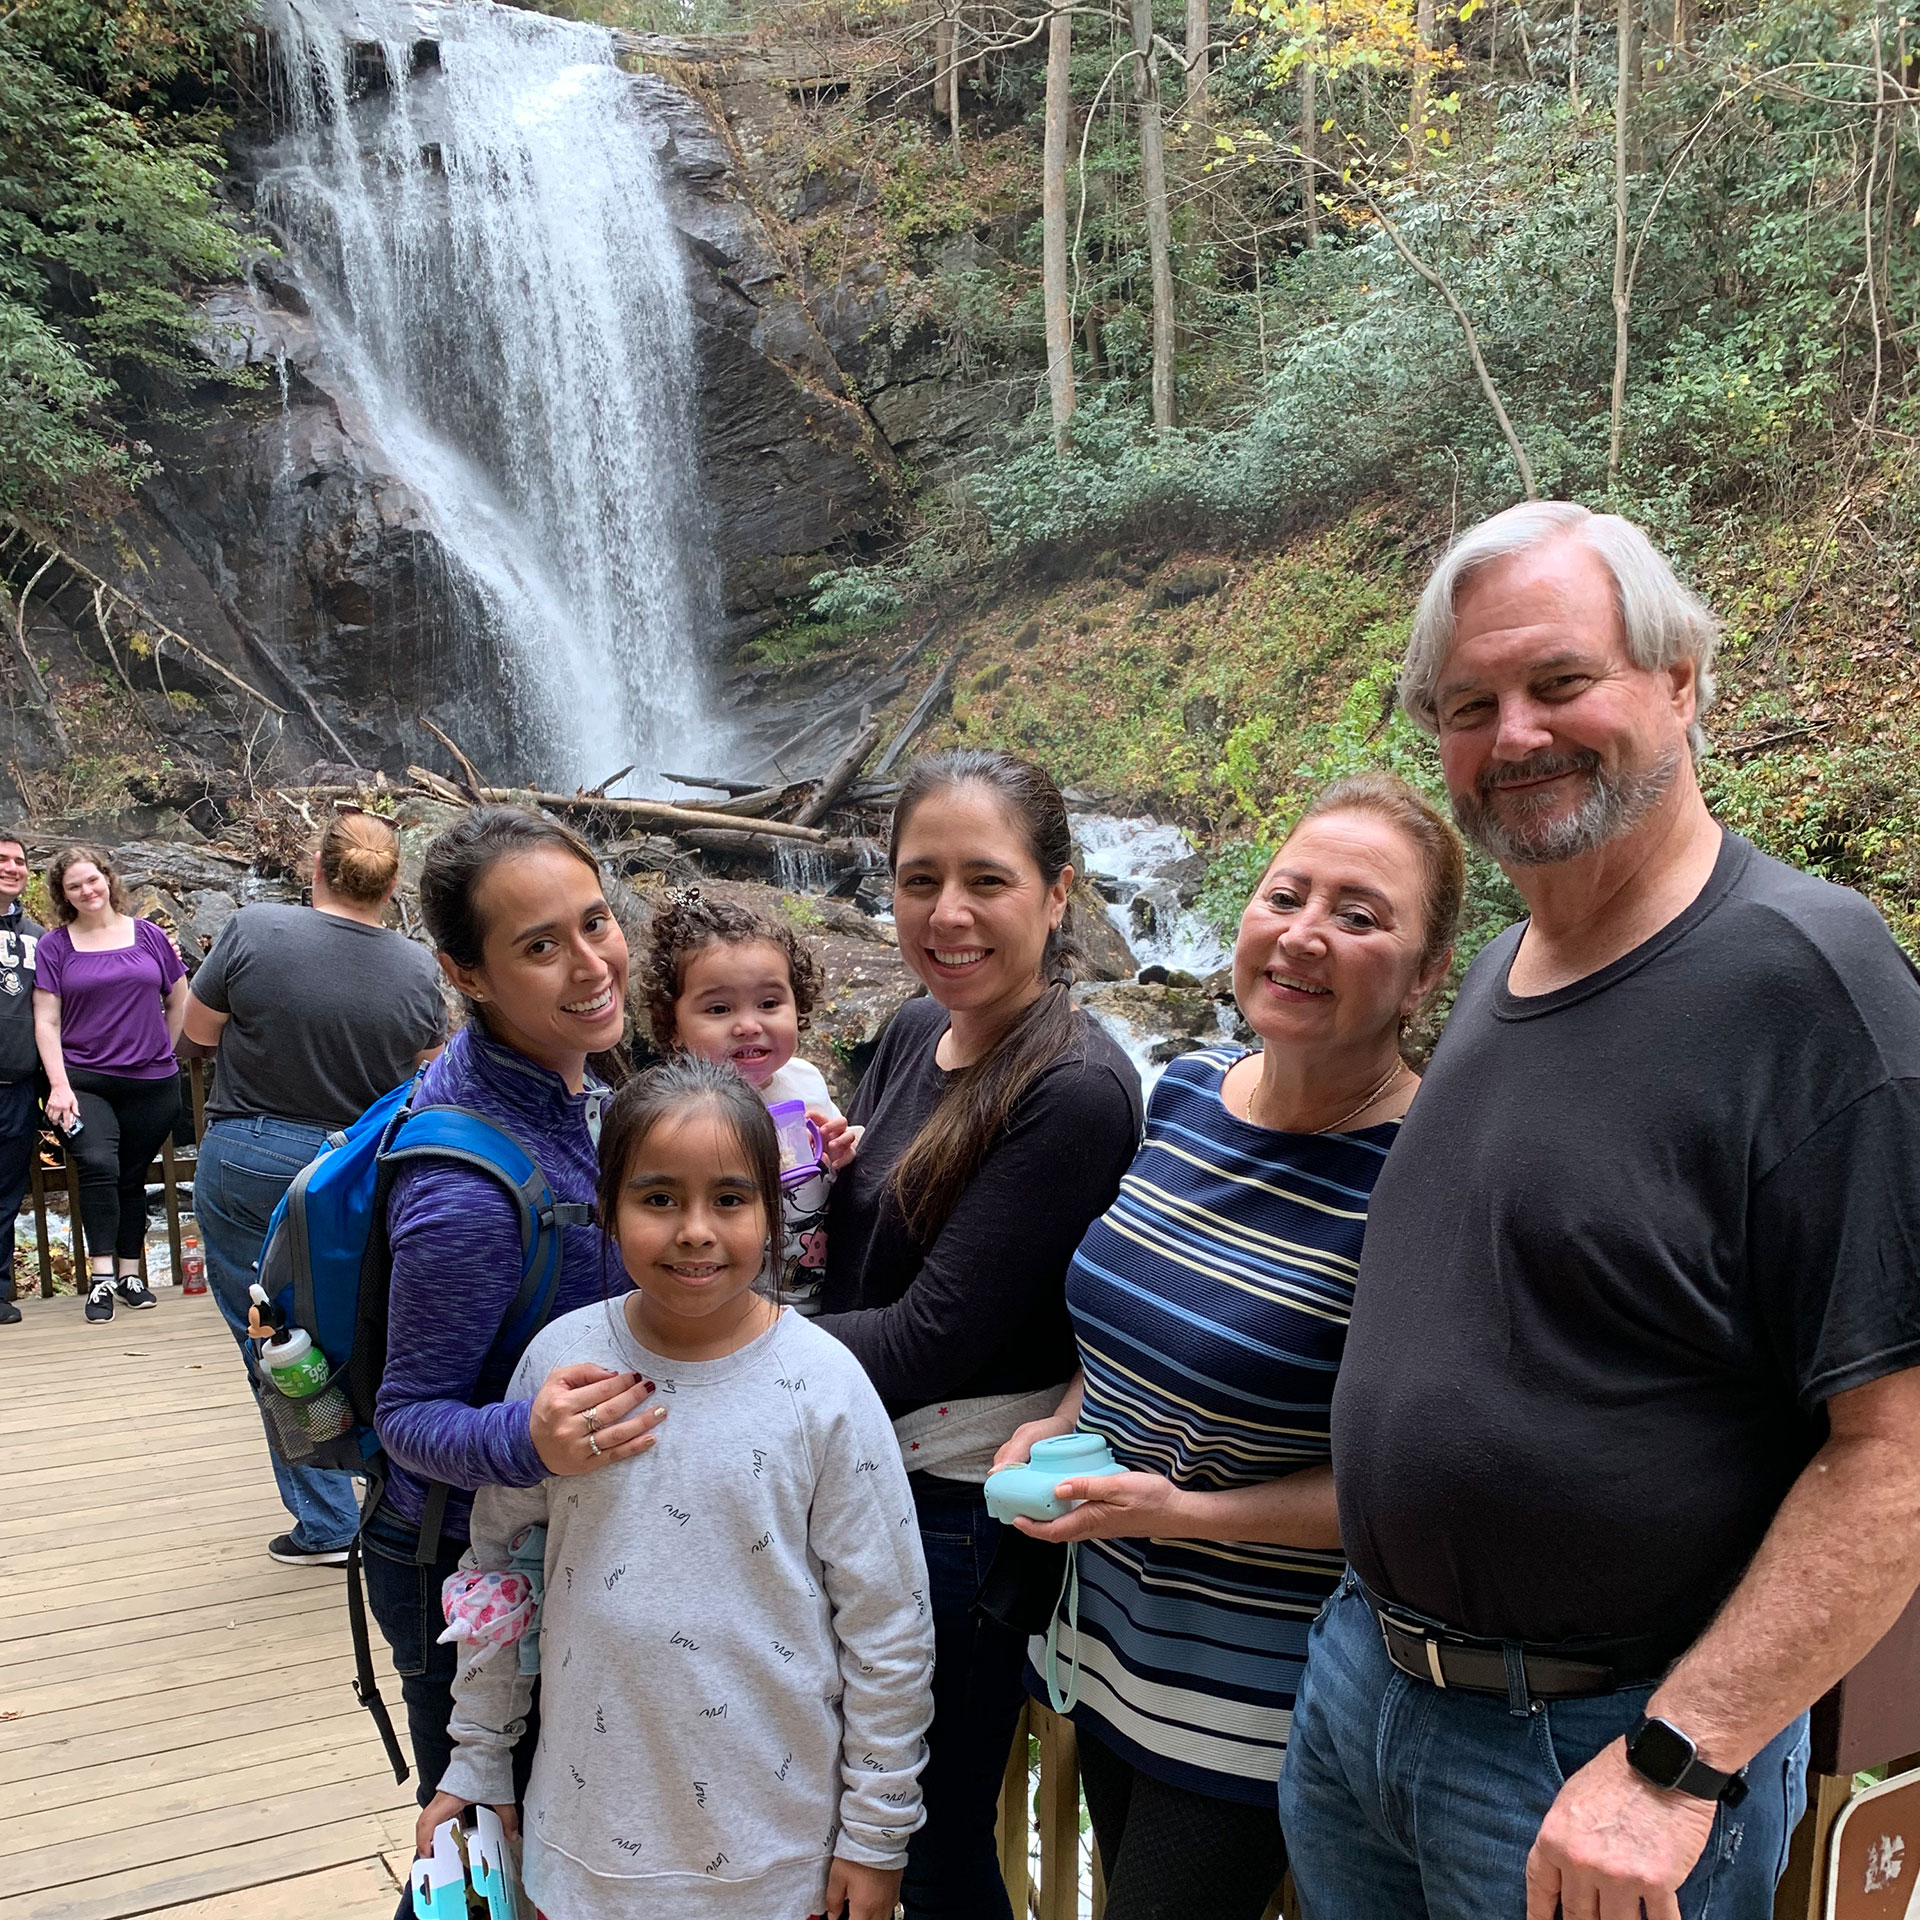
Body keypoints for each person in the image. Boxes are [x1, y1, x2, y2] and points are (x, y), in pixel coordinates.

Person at [1281, 501, 1920, 1920]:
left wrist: (1678, 1764)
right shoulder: (1505, 964)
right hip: (1368, 1692)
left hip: (1598, 1758)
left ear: (1680, 682)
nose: (1514, 735)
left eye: (1560, 682)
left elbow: (1898, 1453)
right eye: (1469, 705)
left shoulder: (1809, 981)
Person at [993, 773, 1462, 1920]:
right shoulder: (1189, 1093)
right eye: (1286, 896)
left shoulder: (1431, 1174)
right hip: (1109, 1640)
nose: (1303, 934)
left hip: (1255, 1694)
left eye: (1359, 915)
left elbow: (1412, 1491)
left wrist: (1184, 1512)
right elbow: (1129, 1329)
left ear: (1426, 973)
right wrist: (1060, 1422)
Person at [422, 1055, 934, 1920]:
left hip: (782, 1863)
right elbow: (502, 1574)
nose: (695, 1230)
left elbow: (888, 1625)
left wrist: (876, 1834)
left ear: (773, 1212)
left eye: (730, 1199)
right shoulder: (562, 1368)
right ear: (607, 1210)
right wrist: (478, 1756)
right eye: (659, 1198)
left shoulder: (825, 1387)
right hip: (580, 1852)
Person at [817, 748, 1143, 1920]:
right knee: (860, 1818)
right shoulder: (917, 1028)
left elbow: (931, 1338)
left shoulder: (1073, 1088)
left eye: (986, 881)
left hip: (957, 1518)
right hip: (864, 1480)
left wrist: (725, 1351)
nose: (947, 914)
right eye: (920, 880)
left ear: (1057, 894)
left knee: (927, 1840)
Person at [367, 807, 665, 1877]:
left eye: (596, 922)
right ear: (467, 974)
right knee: (489, 1858)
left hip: (554, 1543)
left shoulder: (576, 1080)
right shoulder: (467, 1191)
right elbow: (406, 1417)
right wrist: (527, 1440)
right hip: (467, 1569)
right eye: (541, 946)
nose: (591, 965)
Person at [184, 810, 448, 1567]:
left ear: (316, 868)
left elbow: (195, 1034)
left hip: (252, 1156)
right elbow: (430, 1069)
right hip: (358, 1169)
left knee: (272, 1337)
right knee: (365, 1324)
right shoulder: (418, 966)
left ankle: (328, 1523)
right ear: (391, 887)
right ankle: (387, 1490)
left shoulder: (253, 929)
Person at [639, 887, 855, 1314]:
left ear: (798, 1004)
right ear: (673, 1025)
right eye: (719, 1009)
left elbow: (830, 1172)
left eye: (769, 1003)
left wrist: (839, 1152)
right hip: (729, 1312)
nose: (748, 1026)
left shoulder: (806, 1079)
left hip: (822, 1297)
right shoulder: (675, 1114)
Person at [33, 845, 188, 1322]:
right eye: (74, 886)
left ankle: (129, 1274)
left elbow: (179, 999)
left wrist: (165, 1050)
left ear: (107, 879)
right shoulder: (55, 946)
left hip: (151, 1083)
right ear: (63, 895)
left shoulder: (149, 936)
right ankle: (100, 1279)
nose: (86, 891)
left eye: (92, 880)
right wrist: (59, 1086)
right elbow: (46, 1021)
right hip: (84, 1081)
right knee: (98, 1164)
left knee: (131, 1174)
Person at [0, 834, 43, 1327]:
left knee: (5, 1195)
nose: (12, 867)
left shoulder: (38, 937)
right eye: (2, 859)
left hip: (17, 1088)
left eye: (19, 861)